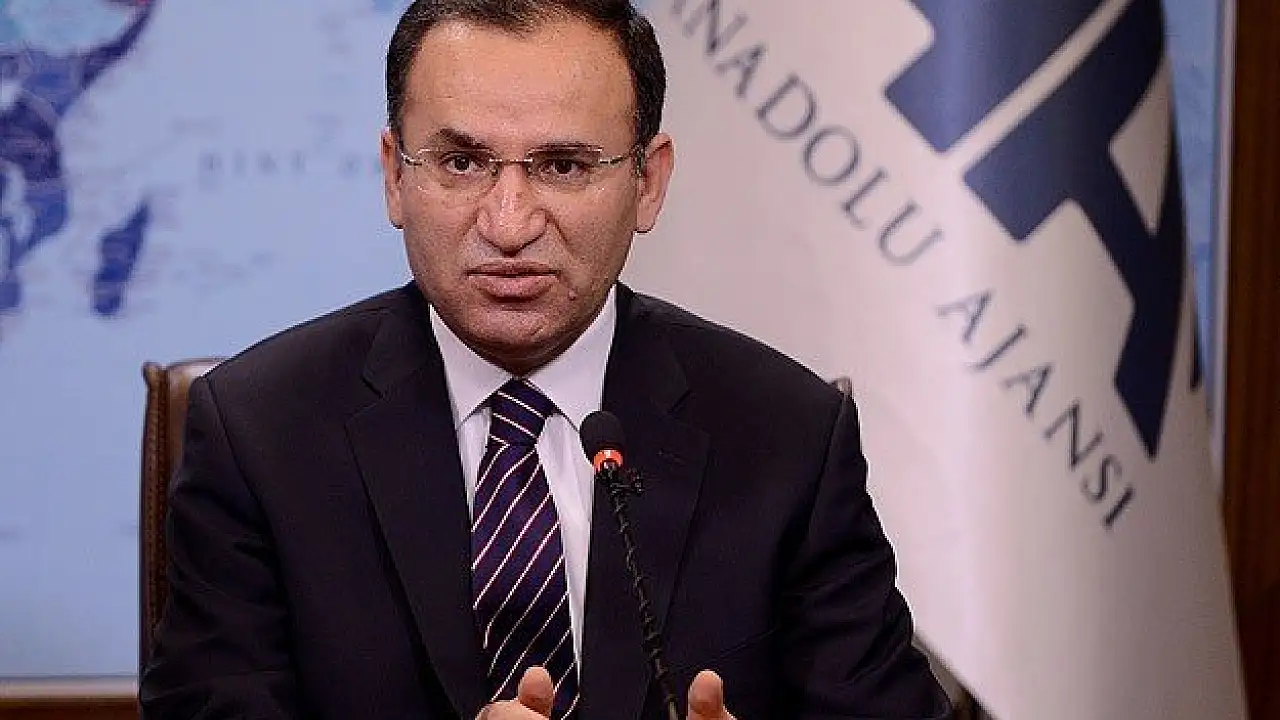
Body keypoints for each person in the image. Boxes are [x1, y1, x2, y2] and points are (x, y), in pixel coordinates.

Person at [139, 1, 954, 718]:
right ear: (394, 177)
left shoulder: (785, 436)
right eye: (461, 163)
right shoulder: (260, 434)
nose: (509, 222)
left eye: (563, 166)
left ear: (648, 182)